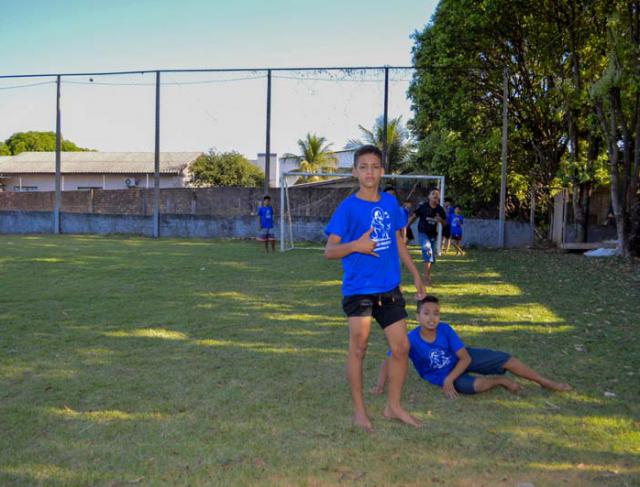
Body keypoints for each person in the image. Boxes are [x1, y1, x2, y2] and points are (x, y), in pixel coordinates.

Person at [324, 144, 426, 432]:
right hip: (359, 290)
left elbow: (399, 242)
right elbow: (329, 251)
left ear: (382, 171)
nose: (369, 172)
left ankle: (393, 406)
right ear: (355, 172)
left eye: (374, 167)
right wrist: (355, 245)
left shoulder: (391, 204)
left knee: (402, 347)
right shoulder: (348, 208)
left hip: (389, 288)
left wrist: (416, 274)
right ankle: (360, 412)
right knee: (359, 348)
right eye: (363, 167)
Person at [373, 295, 571, 398]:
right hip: (441, 375)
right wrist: (381, 385)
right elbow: (389, 360)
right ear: (417, 317)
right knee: (476, 387)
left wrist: (450, 379)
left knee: (507, 360)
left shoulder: (445, 329)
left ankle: (544, 382)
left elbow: (465, 357)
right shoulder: (410, 339)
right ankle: (500, 381)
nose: (432, 318)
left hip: (461, 361)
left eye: (436, 313)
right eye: (426, 313)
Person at [408, 189, 446, 286]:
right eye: (433, 193)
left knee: (431, 258)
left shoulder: (440, 209)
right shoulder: (423, 207)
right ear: (429, 196)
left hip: (433, 235)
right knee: (427, 250)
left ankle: (427, 275)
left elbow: (445, 224)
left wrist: (441, 220)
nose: (435, 195)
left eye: (437, 194)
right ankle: (426, 279)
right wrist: (405, 227)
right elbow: (414, 216)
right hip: (423, 233)